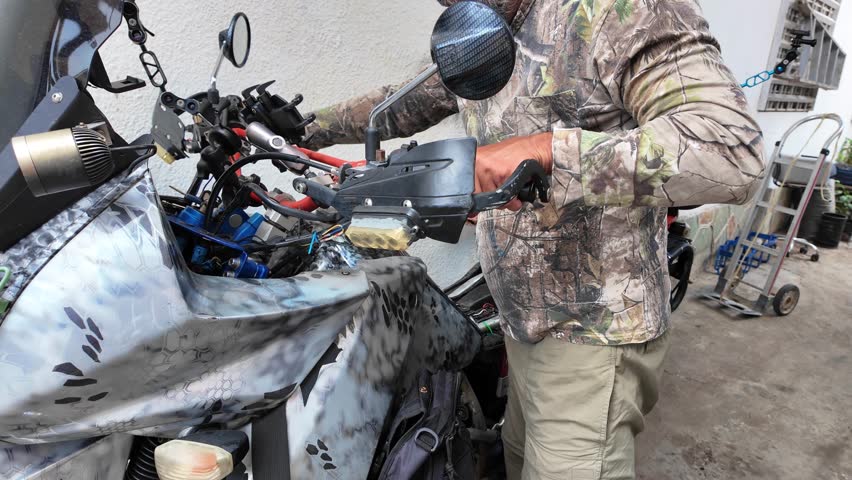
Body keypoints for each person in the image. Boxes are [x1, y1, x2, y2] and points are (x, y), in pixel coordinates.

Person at [303, 0, 765, 478]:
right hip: (520, 322)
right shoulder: (484, 26)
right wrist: (302, 127)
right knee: (517, 461)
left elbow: (730, 149)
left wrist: (546, 151)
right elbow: (408, 101)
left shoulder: (617, 10)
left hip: (592, 335)